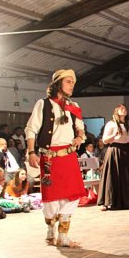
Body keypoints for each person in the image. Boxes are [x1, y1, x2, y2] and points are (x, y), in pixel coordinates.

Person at [26, 69, 87, 247]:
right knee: (52, 198)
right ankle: (50, 228)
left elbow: (81, 128)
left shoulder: (73, 106)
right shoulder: (43, 104)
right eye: (68, 81)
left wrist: (79, 137)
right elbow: (31, 129)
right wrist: (31, 152)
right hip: (50, 158)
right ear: (58, 83)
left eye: (73, 82)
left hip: (69, 156)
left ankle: (63, 235)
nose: (72, 85)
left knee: (73, 195)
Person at [97, 104, 129, 211]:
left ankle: (128, 201)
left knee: (127, 176)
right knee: (113, 175)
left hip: (127, 151)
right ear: (116, 111)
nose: (124, 110)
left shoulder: (128, 124)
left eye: (125, 109)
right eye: (122, 109)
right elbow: (105, 140)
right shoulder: (111, 124)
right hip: (115, 150)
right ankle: (109, 202)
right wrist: (114, 135)